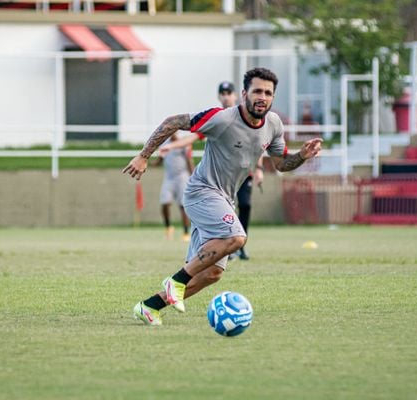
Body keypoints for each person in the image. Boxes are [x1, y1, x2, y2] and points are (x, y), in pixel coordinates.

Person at [123, 67, 322, 326]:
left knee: (213, 273)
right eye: (257, 91)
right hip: (201, 192)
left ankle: (150, 307)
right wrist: (143, 155)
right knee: (237, 237)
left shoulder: (273, 124)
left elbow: (282, 164)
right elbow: (173, 122)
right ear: (244, 94)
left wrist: (302, 156)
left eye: (268, 93)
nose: (262, 97)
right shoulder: (222, 118)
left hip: (224, 199)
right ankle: (175, 281)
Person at [161, 80, 264, 260]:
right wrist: (172, 146)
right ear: (219, 96)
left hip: (243, 174)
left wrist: (260, 169)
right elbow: (193, 138)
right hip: (220, 178)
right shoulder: (218, 119)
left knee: (245, 205)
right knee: (224, 212)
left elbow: (261, 143)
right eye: (222, 94)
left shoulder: (249, 116)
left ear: (237, 95)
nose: (226, 97)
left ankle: (240, 246)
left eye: (229, 93)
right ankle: (227, 247)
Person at [153, 132, 194, 241]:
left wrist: (193, 177)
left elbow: (189, 161)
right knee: (165, 203)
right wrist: (152, 163)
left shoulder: (183, 142)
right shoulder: (165, 144)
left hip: (182, 177)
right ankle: (168, 227)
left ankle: (186, 232)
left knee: (183, 205)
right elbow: (160, 159)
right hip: (169, 177)